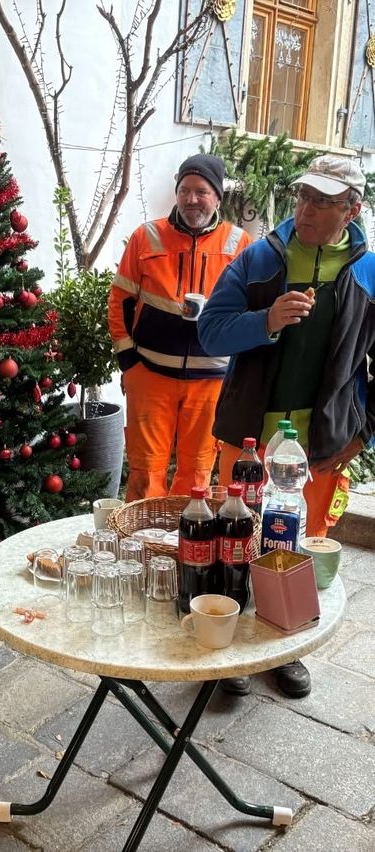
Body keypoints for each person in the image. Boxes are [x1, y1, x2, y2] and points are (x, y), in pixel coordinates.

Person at [199, 154, 375, 699]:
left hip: (321, 443)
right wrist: (265, 321)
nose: (306, 209)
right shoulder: (258, 260)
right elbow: (210, 332)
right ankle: (227, 644)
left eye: (322, 201)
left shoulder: (369, 273)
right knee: (236, 539)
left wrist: (362, 435)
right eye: (302, 196)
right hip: (248, 436)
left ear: (352, 209)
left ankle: (284, 645)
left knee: (296, 545)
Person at [109, 154, 252, 501]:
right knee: (145, 470)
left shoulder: (240, 244)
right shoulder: (146, 237)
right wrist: (128, 359)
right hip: (150, 375)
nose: (191, 199)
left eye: (201, 191)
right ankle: (141, 544)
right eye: (185, 190)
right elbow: (120, 300)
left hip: (211, 381)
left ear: (217, 197)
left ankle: (187, 546)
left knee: (198, 473)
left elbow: (251, 312)